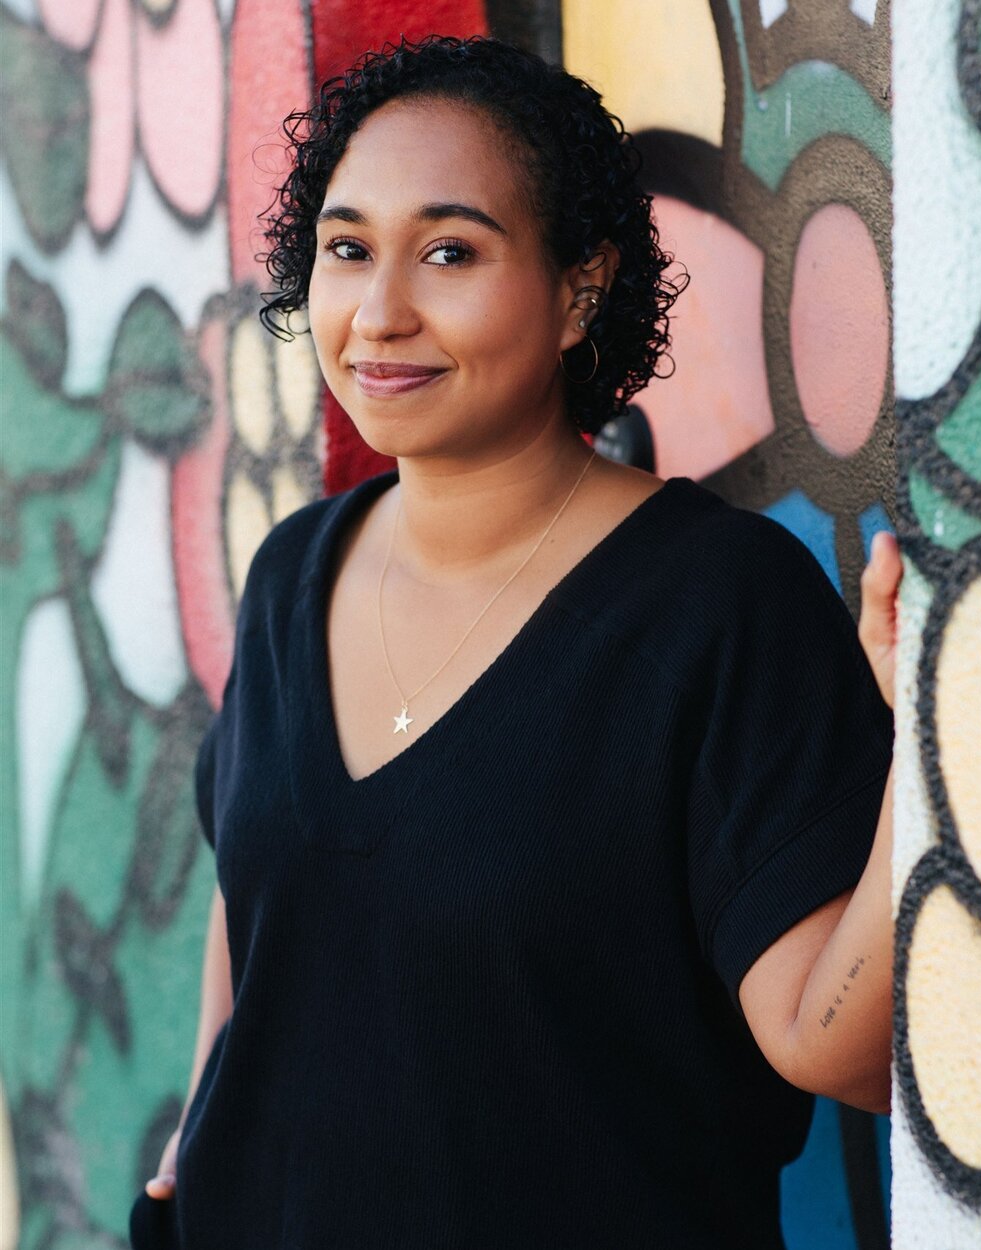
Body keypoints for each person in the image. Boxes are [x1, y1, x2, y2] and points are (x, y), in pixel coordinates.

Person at [130, 34, 901, 1250]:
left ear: (579, 288)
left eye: (449, 251)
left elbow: (836, 1045)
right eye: (347, 249)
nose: (380, 313)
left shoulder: (715, 605)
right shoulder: (292, 573)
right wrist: (209, 1102)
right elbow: (262, 897)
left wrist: (948, 752)